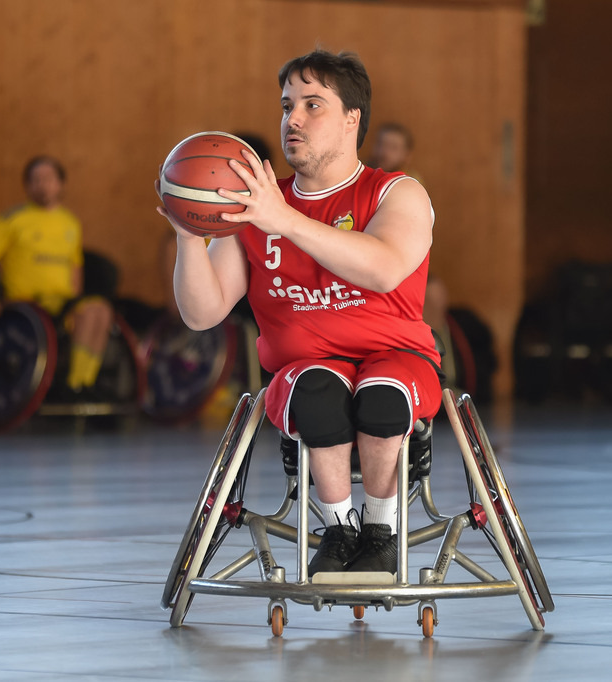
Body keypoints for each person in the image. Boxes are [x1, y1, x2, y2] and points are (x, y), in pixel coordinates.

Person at [157, 50, 441, 576]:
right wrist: (190, 236)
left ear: (352, 118)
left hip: (397, 358)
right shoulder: (256, 208)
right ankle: (337, 530)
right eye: (288, 105)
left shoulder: (397, 192)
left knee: (383, 393)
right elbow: (202, 313)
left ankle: (380, 531)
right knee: (315, 389)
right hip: (304, 368)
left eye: (313, 105)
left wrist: (284, 219)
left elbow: (382, 269)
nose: (294, 118)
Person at [0, 156, 112, 396]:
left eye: (48, 179)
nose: (42, 185)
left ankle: (85, 382)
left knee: (101, 311)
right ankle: (73, 387)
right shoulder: (12, 219)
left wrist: (76, 301)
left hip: (62, 302)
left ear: (61, 184)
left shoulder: (70, 223)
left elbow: (75, 267)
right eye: (36, 180)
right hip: (28, 306)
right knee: (89, 313)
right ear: (27, 185)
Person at [367, 121, 424, 185]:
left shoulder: (411, 182)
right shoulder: (361, 172)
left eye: (393, 147)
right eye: (381, 144)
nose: (385, 152)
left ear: (407, 155)